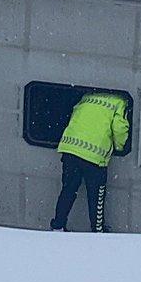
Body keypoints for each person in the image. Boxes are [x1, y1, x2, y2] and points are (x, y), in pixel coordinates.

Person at [50, 90, 131, 232]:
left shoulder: (87, 97)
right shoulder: (120, 101)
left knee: (68, 190)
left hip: (70, 149)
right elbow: (119, 128)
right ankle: (97, 230)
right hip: (94, 155)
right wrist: (120, 147)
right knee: (96, 196)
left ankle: (58, 225)